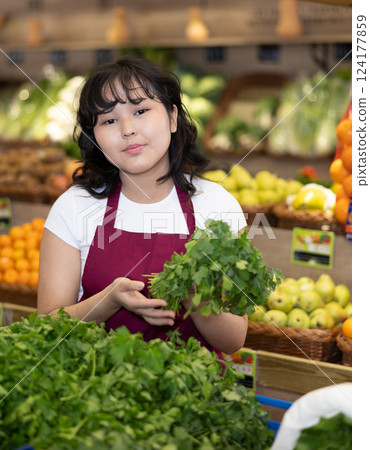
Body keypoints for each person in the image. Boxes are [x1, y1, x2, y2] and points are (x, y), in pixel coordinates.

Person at [38, 56, 248, 357]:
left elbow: (233, 340)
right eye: (109, 120)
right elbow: (46, 328)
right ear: (93, 136)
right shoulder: (74, 207)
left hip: (196, 396)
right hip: (95, 393)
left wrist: (192, 295)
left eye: (140, 111)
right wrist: (108, 301)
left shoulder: (216, 205)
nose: (127, 129)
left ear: (173, 117)